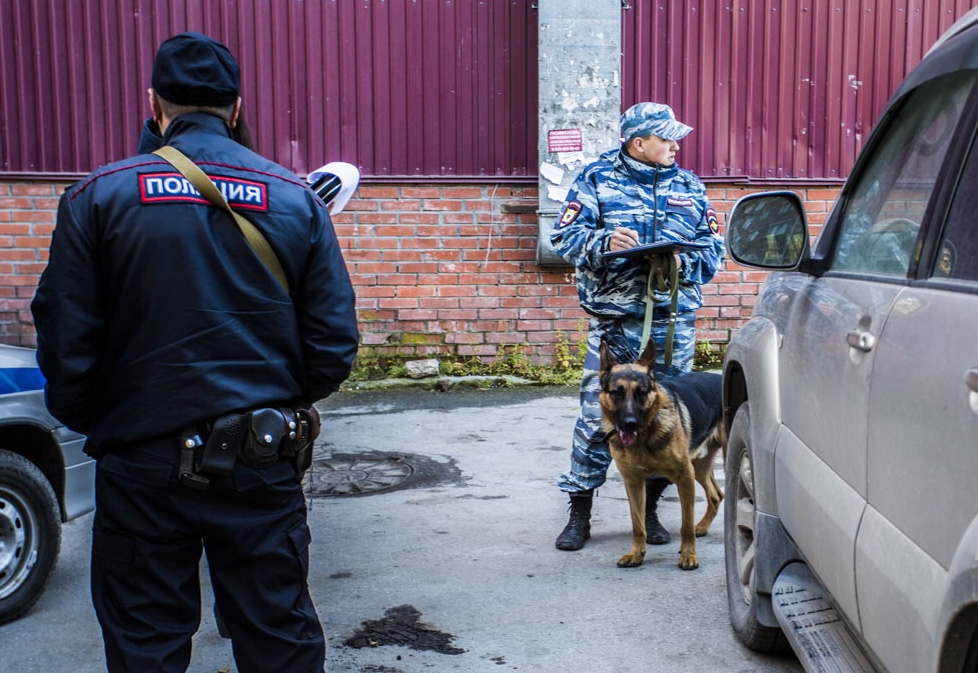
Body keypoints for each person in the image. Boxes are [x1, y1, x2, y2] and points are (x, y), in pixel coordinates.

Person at [31, 32, 358, 673]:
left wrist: (108, 422)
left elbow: (64, 336)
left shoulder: (97, 196)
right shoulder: (294, 199)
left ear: (154, 105)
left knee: (146, 642)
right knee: (278, 639)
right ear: (236, 108)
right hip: (261, 456)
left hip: (140, 459)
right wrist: (278, 404)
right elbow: (333, 342)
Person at [549, 102, 724, 551]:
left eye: (675, 137)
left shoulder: (689, 185)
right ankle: (579, 512)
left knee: (664, 420)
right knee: (597, 418)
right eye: (666, 138)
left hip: (673, 326)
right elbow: (563, 237)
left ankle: (649, 511)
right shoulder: (596, 179)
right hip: (615, 324)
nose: (675, 144)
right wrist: (603, 241)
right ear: (637, 142)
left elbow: (713, 251)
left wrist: (682, 259)